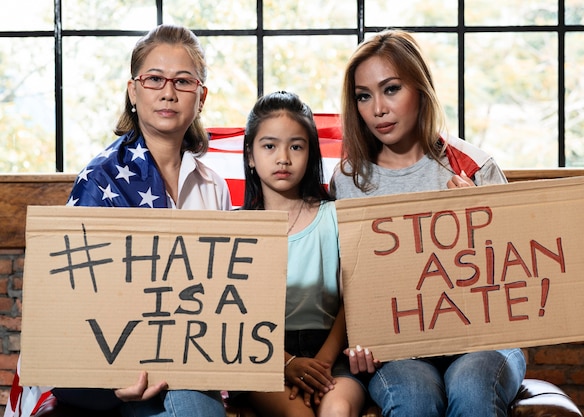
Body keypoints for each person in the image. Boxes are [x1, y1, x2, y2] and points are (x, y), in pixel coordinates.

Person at [5, 24, 231, 417]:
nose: (168, 92)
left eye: (183, 81)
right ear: (133, 91)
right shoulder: (99, 179)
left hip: (188, 363)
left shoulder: (213, 186)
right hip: (102, 375)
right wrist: (113, 383)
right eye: (154, 79)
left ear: (201, 97)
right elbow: (68, 301)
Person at [329, 29, 527, 417]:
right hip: (399, 350)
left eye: (391, 89)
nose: (377, 109)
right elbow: (349, 281)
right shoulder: (349, 179)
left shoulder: (473, 166)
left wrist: (481, 222)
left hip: (483, 342)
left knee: (471, 388)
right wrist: (360, 340)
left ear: (421, 89)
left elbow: (517, 273)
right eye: (363, 96)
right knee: (414, 401)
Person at [236, 91, 366, 417]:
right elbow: (236, 314)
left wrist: (322, 362)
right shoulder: (239, 228)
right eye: (269, 146)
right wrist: (288, 363)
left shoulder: (334, 217)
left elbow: (352, 298)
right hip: (264, 357)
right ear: (250, 155)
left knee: (337, 410)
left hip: (330, 354)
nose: (283, 157)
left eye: (296, 146)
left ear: (310, 153)